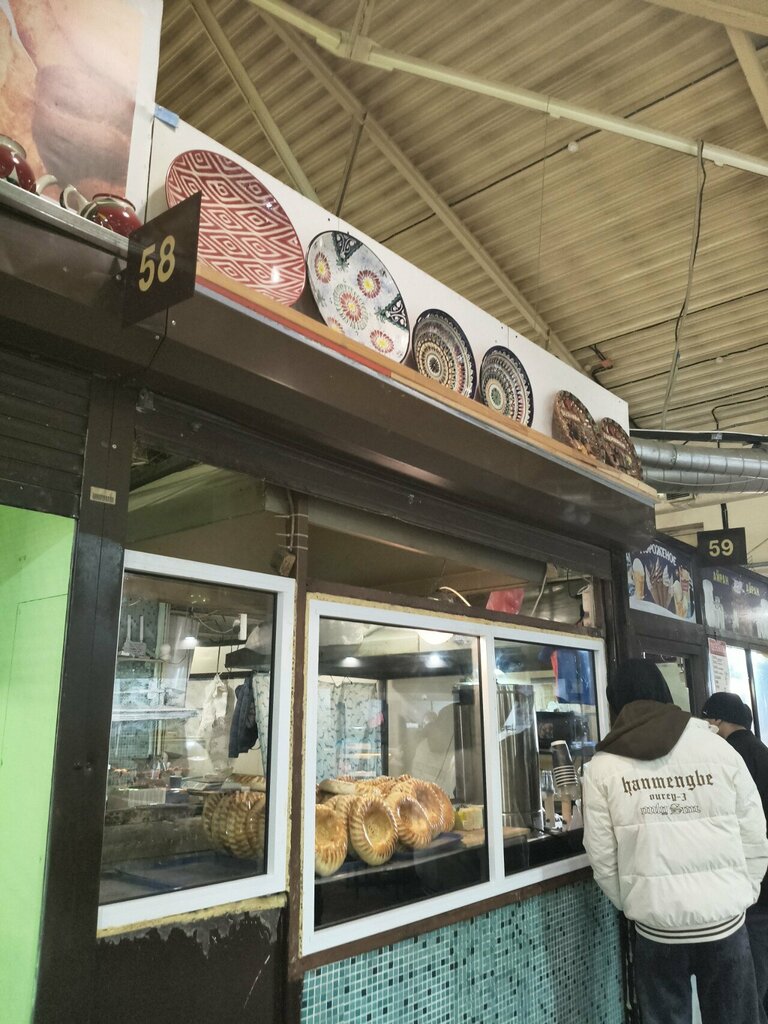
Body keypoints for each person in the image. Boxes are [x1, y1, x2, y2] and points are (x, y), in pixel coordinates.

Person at [583, 658, 768, 1024]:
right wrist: (742, 894)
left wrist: (636, 902)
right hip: (724, 922)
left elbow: (601, 855)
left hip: (657, 931)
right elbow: (754, 831)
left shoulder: (602, 766)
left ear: (614, 702)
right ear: (665, 693)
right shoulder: (718, 748)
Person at [702, 691, 768, 1019]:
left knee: (750, 985)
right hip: (764, 883)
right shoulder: (762, 751)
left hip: (746, 886)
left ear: (717, 720)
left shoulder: (726, 758)